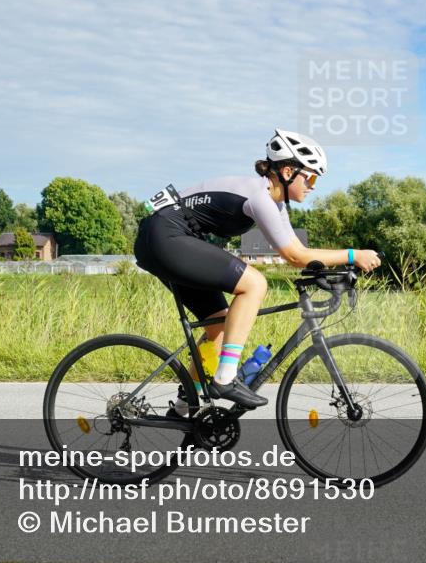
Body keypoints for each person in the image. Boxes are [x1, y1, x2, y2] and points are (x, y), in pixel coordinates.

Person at [134, 129, 382, 412]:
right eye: (311, 177)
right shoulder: (259, 196)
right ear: (288, 171)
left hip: (169, 237)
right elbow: (295, 256)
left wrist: (334, 267)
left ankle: (182, 408)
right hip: (166, 235)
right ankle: (225, 378)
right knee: (254, 284)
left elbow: (296, 252)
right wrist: (353, 254)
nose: (313, 185)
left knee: (219, 322)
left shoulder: (274, 204)